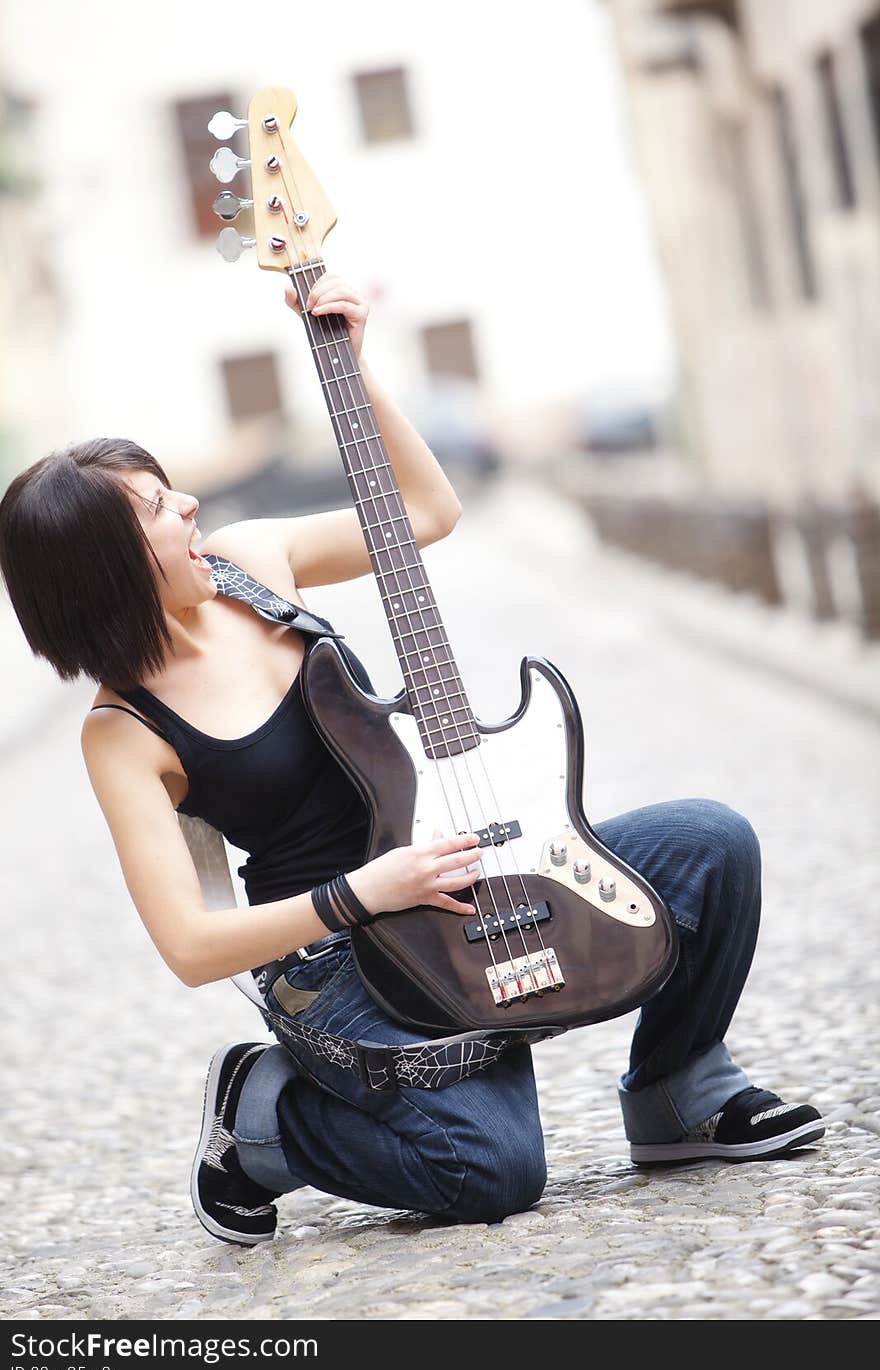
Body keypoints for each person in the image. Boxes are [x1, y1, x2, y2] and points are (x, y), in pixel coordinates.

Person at [0, 275, 824, 1249]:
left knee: (710, 845)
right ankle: (264, 1118)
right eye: (154, 507)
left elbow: (426, 513)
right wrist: (362, 892)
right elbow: (187, 945)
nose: (187, 505)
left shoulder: (250, 561)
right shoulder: (122, 733)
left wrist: (350, 362)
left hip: (453, 858)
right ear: (107, 566)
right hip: (340, 951)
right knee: (493, 1171)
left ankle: (677, 1089)